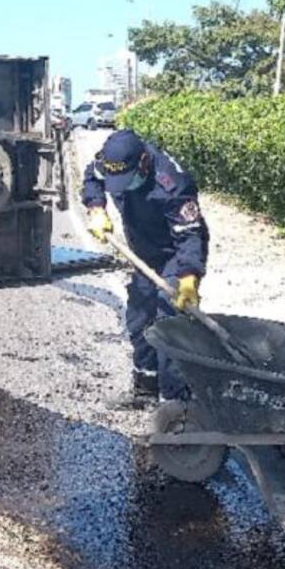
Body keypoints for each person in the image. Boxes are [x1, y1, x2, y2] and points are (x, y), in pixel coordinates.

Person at [83, 128, 208, 405]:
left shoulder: (172, 184)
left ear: (143, 163)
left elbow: (190, 236)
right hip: (143, 252)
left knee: (169, 321)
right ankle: (146, 388)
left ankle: (176, 403)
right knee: (139, 317)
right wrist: (96, 208)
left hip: (175, 254)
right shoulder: (108, 164)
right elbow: (91, 176)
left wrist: (187, 279)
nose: (120, 186)